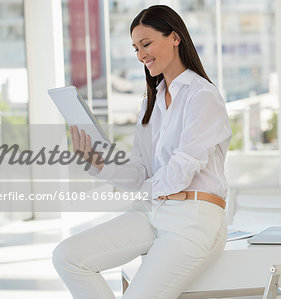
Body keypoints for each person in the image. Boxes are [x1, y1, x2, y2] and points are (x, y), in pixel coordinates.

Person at [52, 5, 232, 299]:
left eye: (146, 44)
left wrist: (150, 190)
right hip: (153, 212)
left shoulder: (202, 96)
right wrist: (98, 164)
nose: (140, 55)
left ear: (175, 37)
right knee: (68, 256)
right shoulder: (152, 100)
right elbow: (140, 171)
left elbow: (182, 168)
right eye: (136, 48)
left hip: (194, 220)